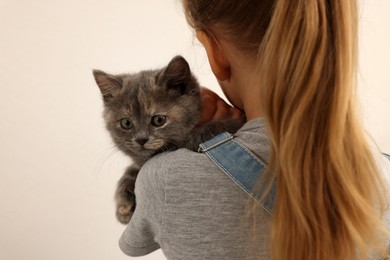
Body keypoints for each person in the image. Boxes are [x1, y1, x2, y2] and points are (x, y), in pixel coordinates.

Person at [119, 0, 390, 259]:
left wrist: (195, 137)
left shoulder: (164, 179)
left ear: (216, 54)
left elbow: (132, 246)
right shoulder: (380, 174)